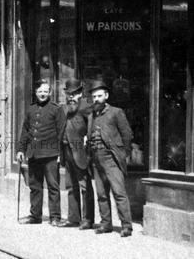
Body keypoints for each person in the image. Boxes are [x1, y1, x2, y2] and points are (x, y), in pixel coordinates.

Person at [16, 79, 66, 225]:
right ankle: (35, 216)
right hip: (33, 154)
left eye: (45, 91)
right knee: (35, 186)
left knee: (53, 186)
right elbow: (25, 131)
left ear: (49, 93)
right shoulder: (31, 109)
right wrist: (20, 150)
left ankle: (55, 217)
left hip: (50, 155)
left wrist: (59, 154)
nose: (42, 94)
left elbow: (61, 133)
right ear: (36, 93)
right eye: (40, 91)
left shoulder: (56, 109)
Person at [87, 81, 134, 237]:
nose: (96, 99)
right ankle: (106, 224)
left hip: (111, 158)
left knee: (119, 192)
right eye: (94, 96)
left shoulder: (116, 112)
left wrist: (123, 155)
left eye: (99, 96)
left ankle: (126, 226)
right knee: (101, 193)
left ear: (106, 96)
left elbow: (127, 134)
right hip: (96, 159)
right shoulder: (91, 115)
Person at [57, 79, 95, 229]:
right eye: (69, 94)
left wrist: (88, 140)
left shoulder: (86, 107)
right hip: (66, 150)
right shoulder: (65, 108)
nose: (71, 97)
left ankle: (88, 219)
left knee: (84, 186)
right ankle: (73, 218)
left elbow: (92, 127)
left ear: (80, 93)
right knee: (70, 185)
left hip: (81, 151)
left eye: (75, 94)